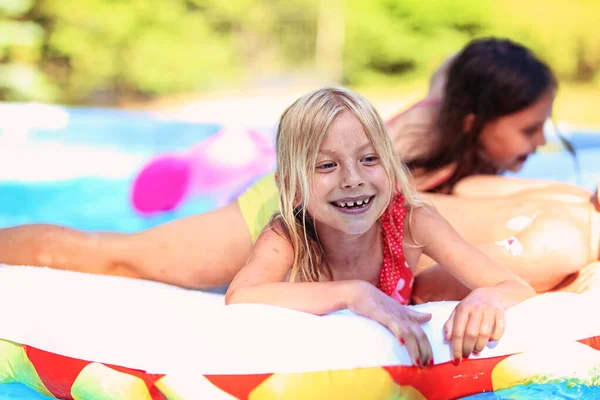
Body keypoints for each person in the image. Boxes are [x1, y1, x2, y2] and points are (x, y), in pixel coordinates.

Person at [0, 37, 557, 291]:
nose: (538, 143)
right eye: (529, 129)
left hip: (311, 216)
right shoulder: (419, 137)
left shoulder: (452, 129)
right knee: (116, 259)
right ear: (473, 120)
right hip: (278, 207)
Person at [225, 86, 535, 367]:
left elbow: (514, 287)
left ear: (392, 167)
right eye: (327, 165)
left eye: (370, 159)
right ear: (291, 188)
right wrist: (353, 293)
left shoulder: (412, 223)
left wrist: (487, 297)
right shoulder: (287, 235)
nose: (353, 178)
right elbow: (240, 296)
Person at [412, 175, 600, 303]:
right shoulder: (564, 246)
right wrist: (565, 293)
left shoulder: (575, 195)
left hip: (404, 200)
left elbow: (467, 187)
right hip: (390, 241)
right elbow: (425, 289)